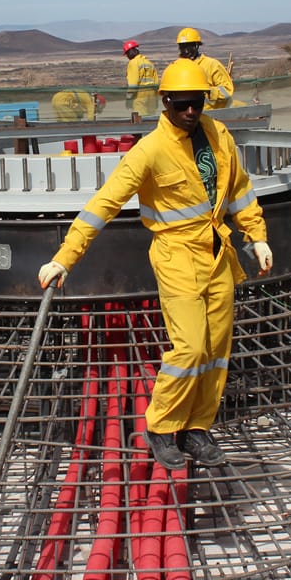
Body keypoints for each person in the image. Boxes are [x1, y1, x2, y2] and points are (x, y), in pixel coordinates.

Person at [37, 59, 272, 469]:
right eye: (181, 104)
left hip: (218, 254)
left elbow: (239, 192)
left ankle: (197, 427)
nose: (190, 111)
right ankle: (162, 426)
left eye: (196, 102)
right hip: (177, 256)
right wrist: (64, 257)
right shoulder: (149, 151)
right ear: (165, 102)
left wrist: (257, 236)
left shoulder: (219, 135)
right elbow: (103, 206)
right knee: (190, 347)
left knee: (217, 350)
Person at [175, 27, 234, 111]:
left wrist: (208, 91)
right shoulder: (177, 67)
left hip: (213, 115)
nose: (186, 51)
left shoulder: (212, 65)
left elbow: (227, 91)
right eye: (182, 47)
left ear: (196, 45)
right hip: (188, 115)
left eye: (189, 46)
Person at [122, 40, 159, 119]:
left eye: (128, 53)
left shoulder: (133, 63)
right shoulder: (149, 63)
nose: (127, 56)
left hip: (140, 95)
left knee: (139, 120)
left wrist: (129, 98)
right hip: (151, 95)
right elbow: (156, 82)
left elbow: (133, 84)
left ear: (134, 50)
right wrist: (156, 99)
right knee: (151, 120)